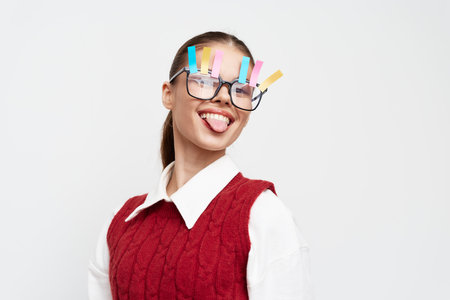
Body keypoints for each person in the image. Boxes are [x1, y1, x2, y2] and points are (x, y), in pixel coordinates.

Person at [88, 31, 314, 300]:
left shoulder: (264, 216)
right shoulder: (121, 222)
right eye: (205, 80)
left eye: (241, 89)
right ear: (168, 95)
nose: (225, 97)